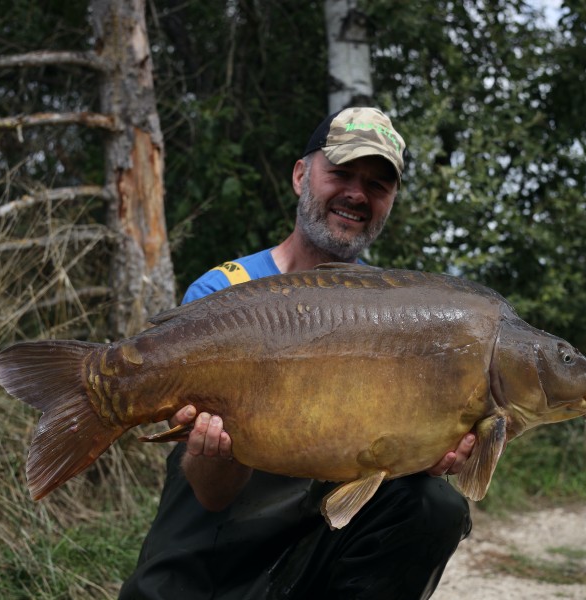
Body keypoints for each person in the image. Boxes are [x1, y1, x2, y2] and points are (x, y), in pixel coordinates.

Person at [119, 107, 475, 600]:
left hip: (310, 559)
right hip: (208, 561)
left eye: (377, 184)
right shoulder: (225, 290)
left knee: (434, 504)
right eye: (342, 173)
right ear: (300, 174)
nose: (357, 194)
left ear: (391, 200)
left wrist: (424, 452)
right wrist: (216, 448)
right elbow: (210, 493)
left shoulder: (394, 314)